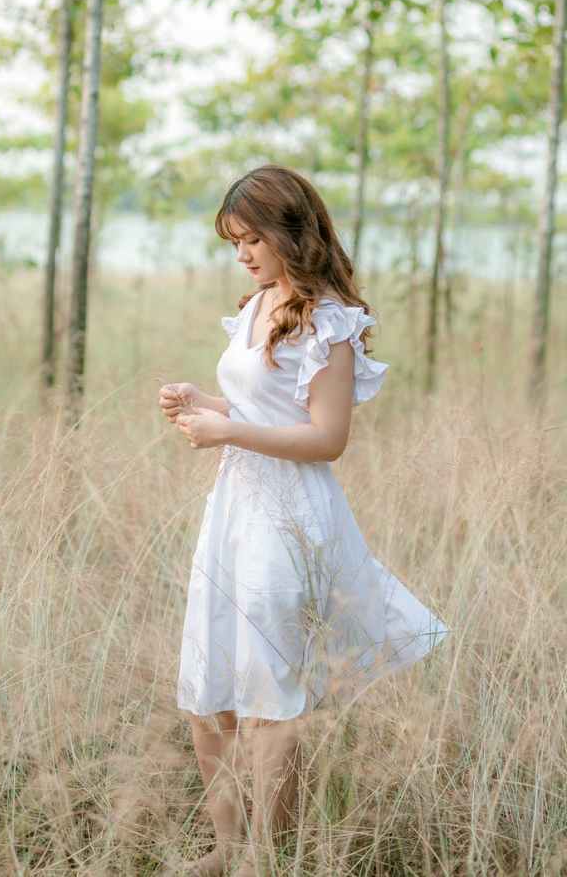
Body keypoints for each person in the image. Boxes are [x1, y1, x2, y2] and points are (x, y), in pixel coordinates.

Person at [158, 166, 449, 876]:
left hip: (289, 515)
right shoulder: (259, 303)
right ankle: (226, 846)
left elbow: (326, 438)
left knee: (265, 687)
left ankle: (263, 855)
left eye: (253, 239)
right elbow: (263, 409)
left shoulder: (329, 321)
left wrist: (227, 433)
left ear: (292, 232)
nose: (244, 255)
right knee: (206, 678)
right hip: (232, 507)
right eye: (235, 243)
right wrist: (207, 400)